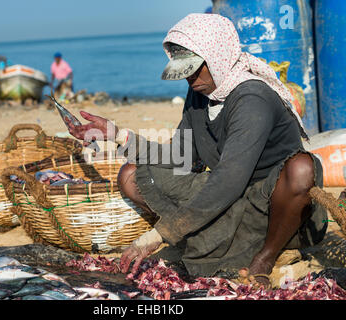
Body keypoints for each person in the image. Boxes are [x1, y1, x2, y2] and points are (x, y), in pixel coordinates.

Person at [64, 14, 327, 289]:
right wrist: (117, 135)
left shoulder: (252, 98)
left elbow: (227, 181)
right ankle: (212, 239)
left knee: (301, 169)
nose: (190, 78)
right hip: (232, 203)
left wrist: (159, 234)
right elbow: (180, 157)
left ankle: (267, 255)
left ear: (217, 57)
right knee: (131, 175)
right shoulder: (199, 94)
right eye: (185, 70)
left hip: (271, 208)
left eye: (195, 68)